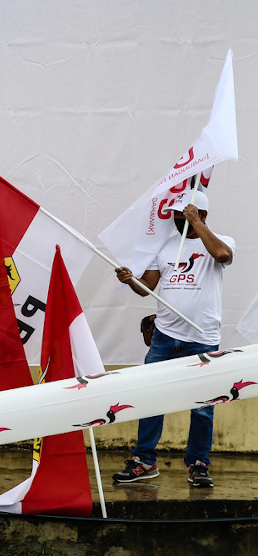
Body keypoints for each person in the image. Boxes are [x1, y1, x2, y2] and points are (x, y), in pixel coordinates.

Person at [111, 189, 234, 488]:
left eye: (186, 216)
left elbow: (223, 256)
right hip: (165, 337)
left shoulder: (219, 241)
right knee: (150, 400)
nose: (179, 220)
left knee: (202, 406)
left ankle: (198, 463)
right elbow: (147, 288)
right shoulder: (165, 247)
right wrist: (131, 280)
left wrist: (198, 224)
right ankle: (144, 461)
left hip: (202, 338)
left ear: (201, 215)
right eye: (177, 216)